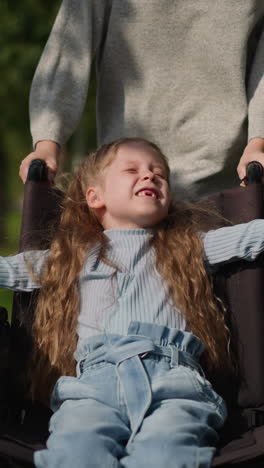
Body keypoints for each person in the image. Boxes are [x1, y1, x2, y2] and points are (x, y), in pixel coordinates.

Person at [3, 137, 264, 467]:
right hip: (95, 384)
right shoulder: (73, 256)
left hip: (175, 380)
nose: (150, 176)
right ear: (95, 197)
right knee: (78, 450)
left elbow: (251, 237)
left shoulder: (189, 247)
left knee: (166, 452)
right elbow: (13, 270)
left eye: (159, 173)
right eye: (132, 169)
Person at [20, 1, 264, 198]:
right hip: (125, 180)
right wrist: (47, 143)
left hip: (227, 178)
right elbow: (70, 44)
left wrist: (258, 142)